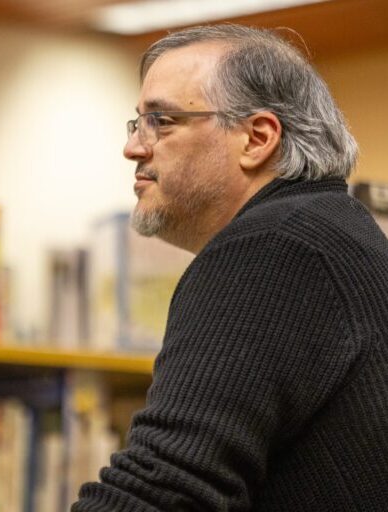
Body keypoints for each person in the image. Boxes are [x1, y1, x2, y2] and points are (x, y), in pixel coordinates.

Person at [72, 24, 388, 511]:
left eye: (162, 121)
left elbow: (163, 491)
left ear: (257, 138)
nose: (134, 148)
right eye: (137, 123)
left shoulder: (274, 248)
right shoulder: (332, 234)